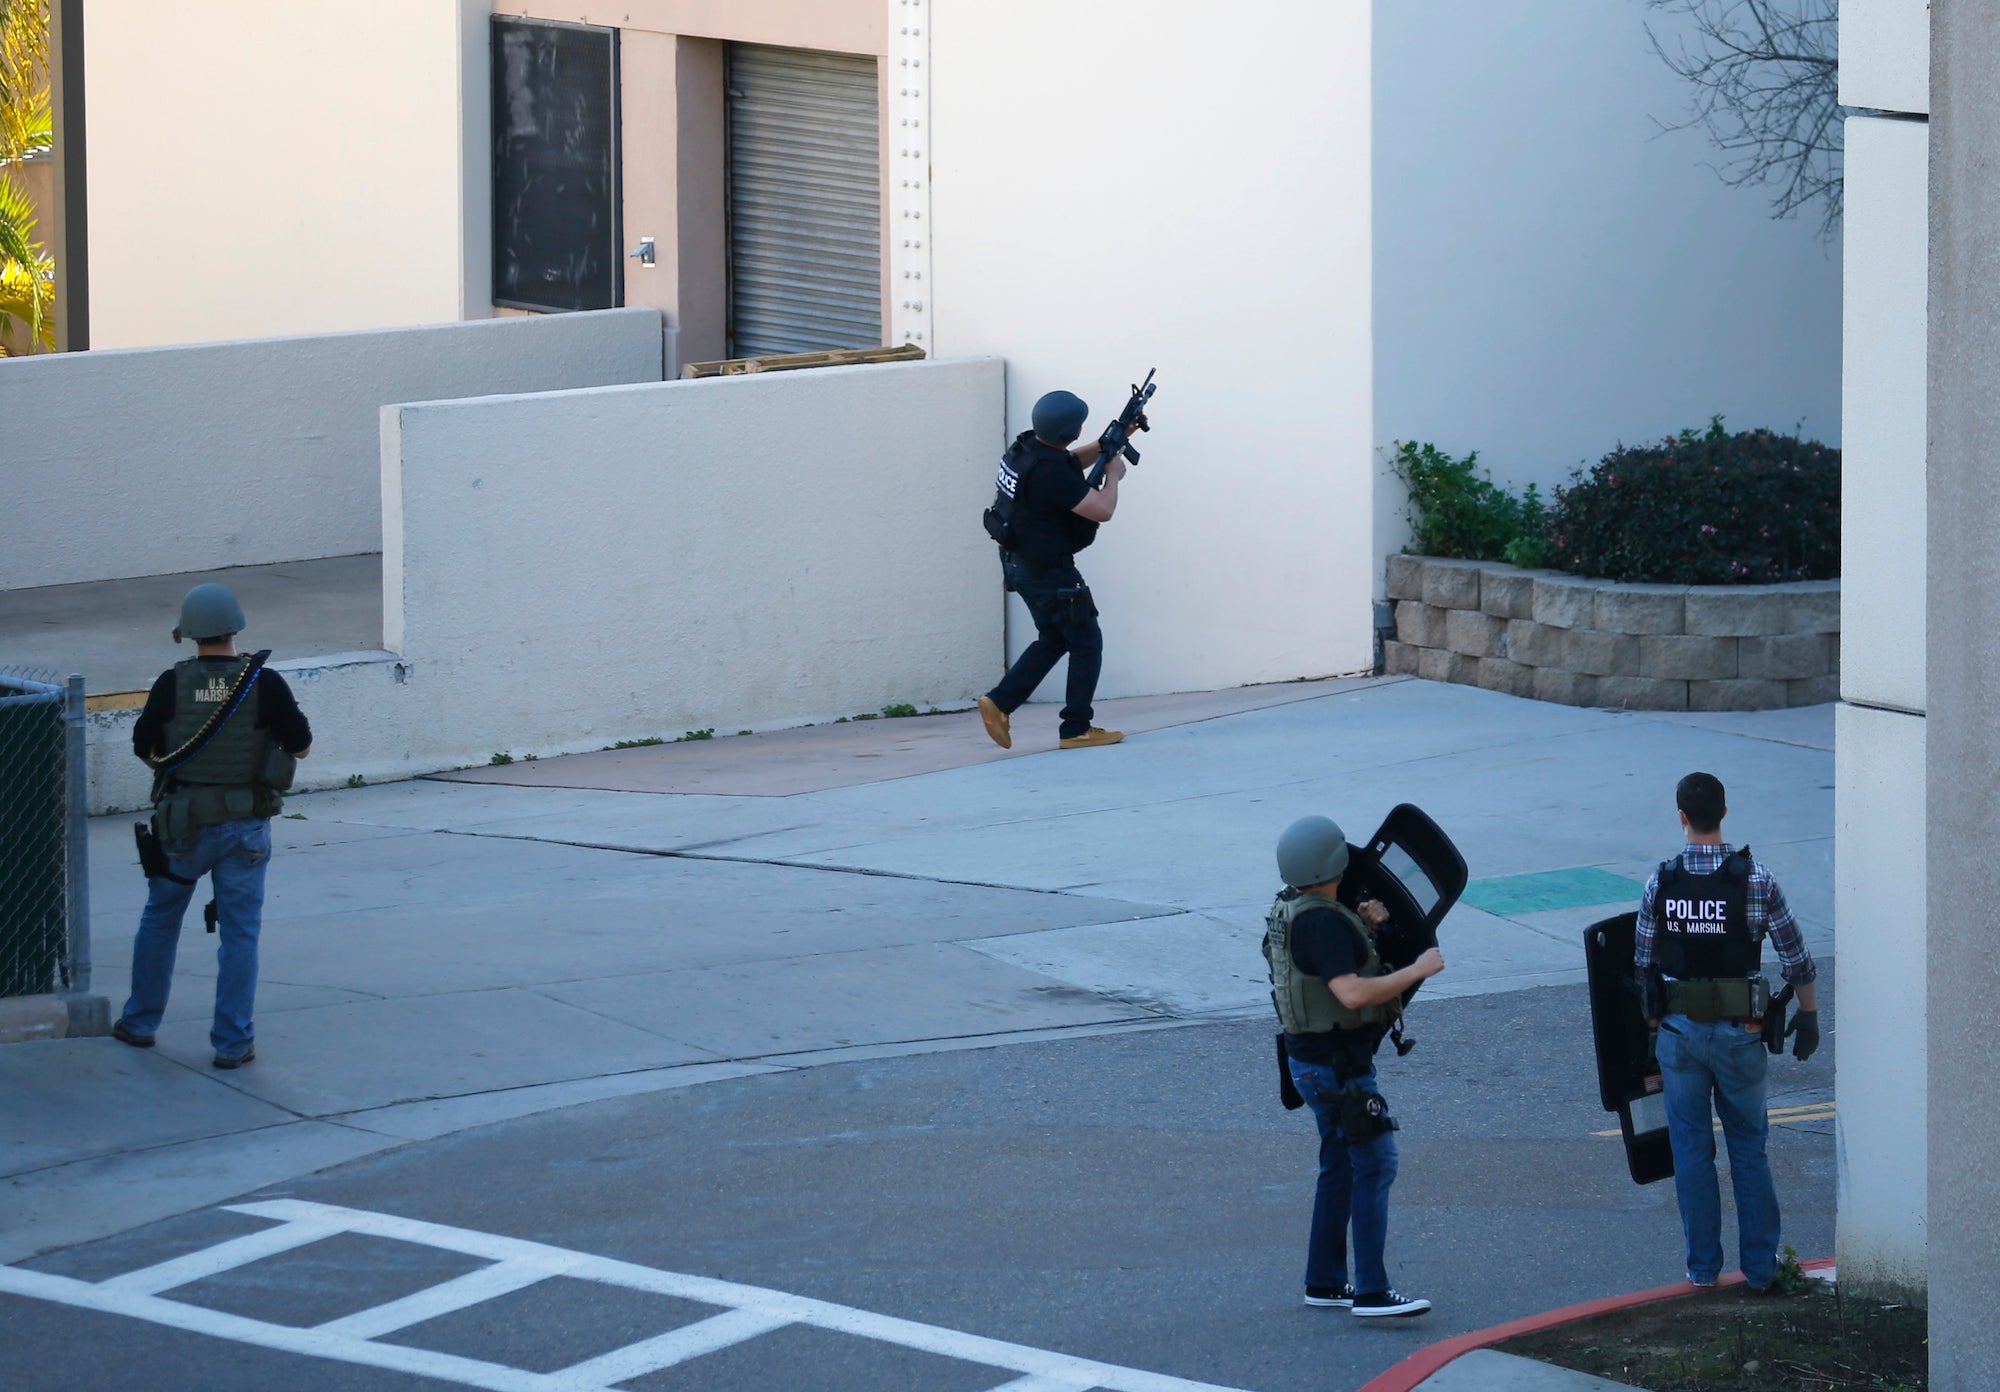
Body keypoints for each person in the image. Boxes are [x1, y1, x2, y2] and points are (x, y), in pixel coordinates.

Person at [111, 583, 312, 1069]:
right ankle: (232, 1043)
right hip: (245, 827)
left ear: (190, 634)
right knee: (240, 933)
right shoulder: (264, 683)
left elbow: (145, 748)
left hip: (183, 826)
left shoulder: (170, 683)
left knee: (160, 921)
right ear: (236, 626)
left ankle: (139, 1024)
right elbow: (301, 746)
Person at [1634, 771, 1820, 1291]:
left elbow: (1642, 967)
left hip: (1679, 1035)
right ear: (1724, 812)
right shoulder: (1756, 879)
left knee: (1691, 1152)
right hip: (1741, 1033)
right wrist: (1808, 1016)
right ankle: (1761, 1271)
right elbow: (1797, 961)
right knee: (1748, 1150)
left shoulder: (1661, 882)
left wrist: (1652, 1037)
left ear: (1682, 817)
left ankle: (1702, 1270)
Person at [1264, 814, 1444, 1316]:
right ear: (1335, 864)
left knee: (1339, 1166)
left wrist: (1365, 928)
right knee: (1376, 1163)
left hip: (1311, 1061)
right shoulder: (1323, 922)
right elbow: (1350, 992)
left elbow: (1319, 973)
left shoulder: (1295, 909)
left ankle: (1323, 1281)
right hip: (1338, 1068)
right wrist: (1416, 969)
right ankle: (1370, 1290)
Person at [976, 389, 1127, 752]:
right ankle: (1076, 728)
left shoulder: (1025, 450)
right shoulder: (1052, 474)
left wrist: (1113, 440)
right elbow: (1101, 510)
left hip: (1021, 566)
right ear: (1070, 430)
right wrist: (1114, 475)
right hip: (1050, 574)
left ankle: (1000, 702)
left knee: (1055, 637)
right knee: (1087, 642)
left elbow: (1069, 461)